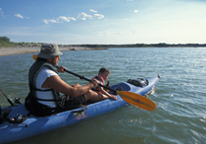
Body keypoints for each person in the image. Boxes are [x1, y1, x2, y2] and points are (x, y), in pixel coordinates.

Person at [25, 44, 115, 117]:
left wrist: (56, 69)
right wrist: (92, 84)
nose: (59, 58)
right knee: (89, 93)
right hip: (51, 107)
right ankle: (108, 97)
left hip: (40, 103)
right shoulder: (48, 74)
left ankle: (99, 94)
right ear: (49, 58)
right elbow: (73, 93)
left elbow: (46, 81)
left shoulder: (36, 67)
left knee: (77, 85)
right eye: (57, 56)